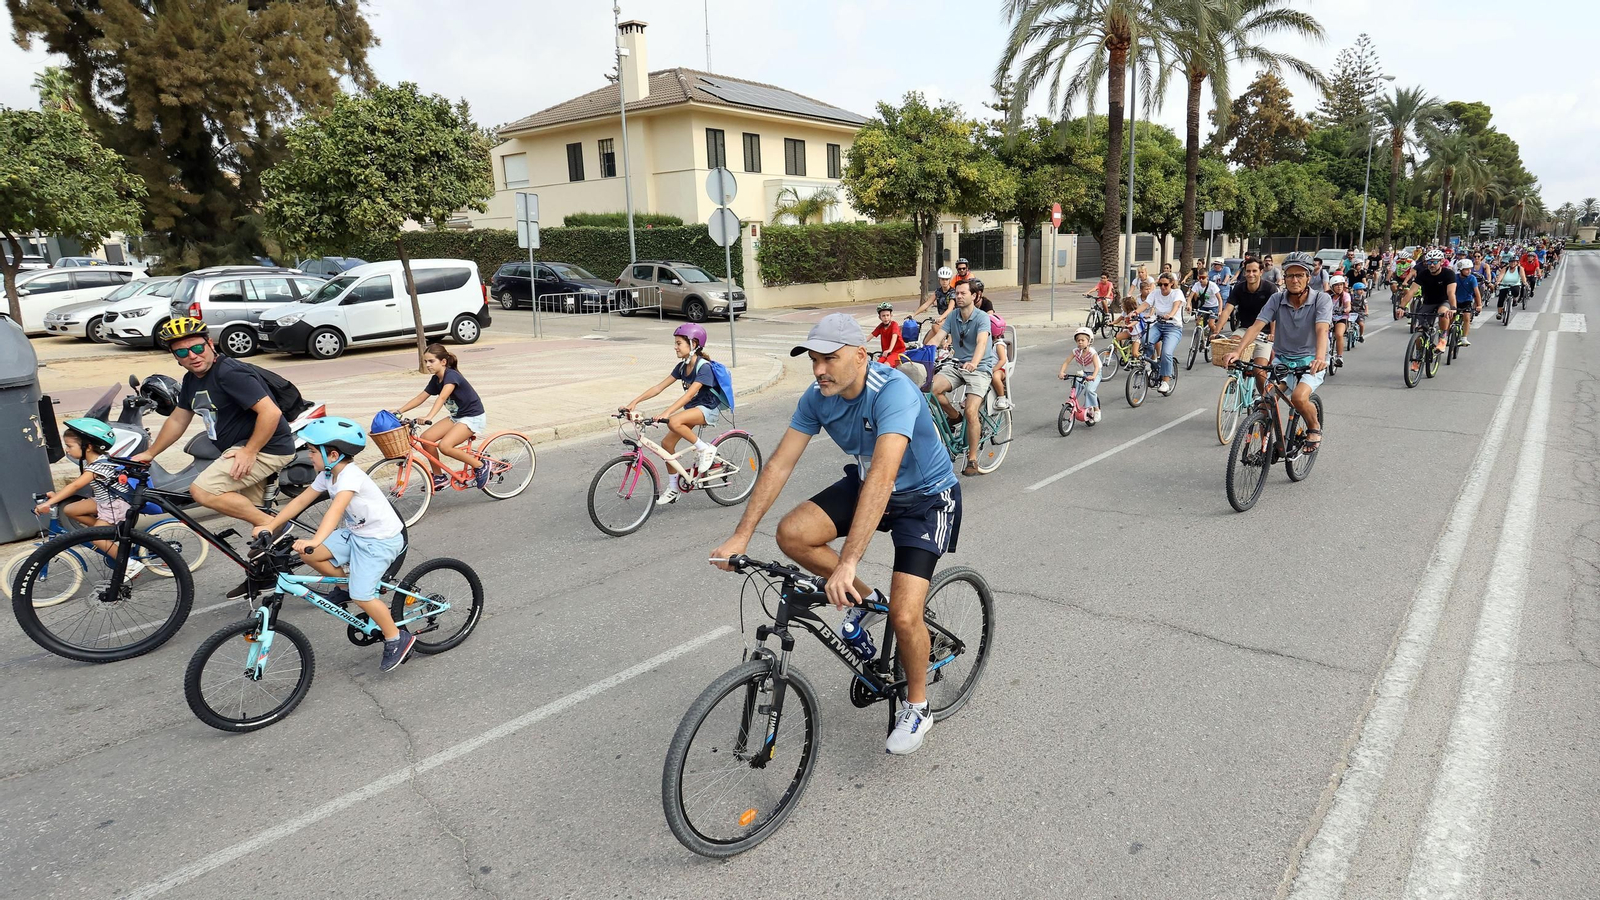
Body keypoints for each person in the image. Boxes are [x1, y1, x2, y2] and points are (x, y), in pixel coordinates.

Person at [710, 313, 961, 755]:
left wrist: (847, 563)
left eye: (829, 359)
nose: (819, 369)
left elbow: (884, 475)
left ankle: (918, 706)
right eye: (813, 360)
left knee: (906, 616)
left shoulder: (893, 392)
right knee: (792, 534)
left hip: (925, 499)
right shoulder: (817, 397)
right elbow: (780, 464)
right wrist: (741, 535)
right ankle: (870, 602)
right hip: (869, 486)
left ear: (861, 356)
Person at [135, 317, 297, 599]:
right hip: (237, 449)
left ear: (210, 344)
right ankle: (268, 574)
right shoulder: (191, 380)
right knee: (256, 522)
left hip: (266, 448)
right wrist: (149, 453)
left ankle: (278, 526)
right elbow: (178, 419)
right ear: (175, 357)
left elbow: (270, 413)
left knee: (203, 490)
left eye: (197, 348)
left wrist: (250, 451)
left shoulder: (230, 373)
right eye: (182, 352)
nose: (192, 356)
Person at [254, 418, 414, 673]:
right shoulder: (328, 474)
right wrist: (271, 526)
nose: (309, 456)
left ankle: (396, 638)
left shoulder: (350, 476)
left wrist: (314, 540)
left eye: (312, 451)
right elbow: (300, 501)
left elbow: (335, 511)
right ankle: (344, 587)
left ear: (334, 455)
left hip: (380, 541)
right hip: (356, 534)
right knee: (311, 556)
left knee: (363, 596)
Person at [1223, 251, 1329, 452]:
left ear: (1308, 277)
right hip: (1283, 360)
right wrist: (1237, 351)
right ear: (1284, 277)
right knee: (1266, 402)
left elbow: (1322, 330)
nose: (1294, 280)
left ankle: (1314, 427)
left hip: (1310, 361)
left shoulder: (1321, 300)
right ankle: (1272, 446)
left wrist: (1320, 358)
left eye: (1300, 275)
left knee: (1298, 398)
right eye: (1290, 275)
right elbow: (1256, 326)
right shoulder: (1277, 299)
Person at [622, 322, 730, 506]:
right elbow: (658, 387)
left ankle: (706, 449)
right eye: (675, 343)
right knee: (667, 444)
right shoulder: (682, 367)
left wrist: (667, 413)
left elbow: (689, 395)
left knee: (673, 421)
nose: (675, 347)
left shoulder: (704, 367)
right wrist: (634, 402)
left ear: (693, 344)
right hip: (693, 410)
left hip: (708, 409)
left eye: (679, 343)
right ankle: (673, 488)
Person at [33, 418, 148, 580]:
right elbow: (76, 486)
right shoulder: (95, 462)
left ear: (87, 447)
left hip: (115, 505)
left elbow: (75, 486)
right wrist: (56, 496)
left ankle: (129, 564)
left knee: (96, 538)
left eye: (69, 446)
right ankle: (107, 534)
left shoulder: (98, 466)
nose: (67, 450)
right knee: (70, 510)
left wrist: (49, 503)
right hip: (104, 502)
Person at [393, 344, 489, 493]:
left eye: (431, 361)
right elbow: (420, 398)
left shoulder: (451, 376)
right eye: (426, 361)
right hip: (457, 416)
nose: (427, 365)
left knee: (445, 446)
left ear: (443, 362)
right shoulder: (435, 379)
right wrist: (398, 411)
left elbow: (442, 397)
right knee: (426, 438)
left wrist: (429, 416)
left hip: (472, 417)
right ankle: (439, 477)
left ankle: (480, 466)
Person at [930, 280, 996, 476]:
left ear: (974, 296)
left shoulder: (982, 318)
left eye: (962, 293)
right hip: (957, 365)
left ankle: (972, 459)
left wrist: (974, 362)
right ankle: (954, 416)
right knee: (931, 389)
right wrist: (921, 352)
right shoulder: (953, 316)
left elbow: (981, 343)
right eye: (956, 293)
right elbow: (938, 337)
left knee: (970, 410)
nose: (958, 296)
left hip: (979, 368)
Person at [1215, 257, 1279, 394]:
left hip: (1264, 334)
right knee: (1231, 347)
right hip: (1244, 330)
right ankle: (1235, 378)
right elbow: (1227, 310)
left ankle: (1265, 400)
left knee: (1259, 371)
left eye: (1254, 271)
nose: (1251, 274)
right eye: (1248, 271)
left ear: (1261, 272)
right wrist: (1216, 331)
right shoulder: (1239, 288)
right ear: (1244, 272)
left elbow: (1275, 315)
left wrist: (1272, 333)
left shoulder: (1270, 289)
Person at [1403, 249, 1458, 356]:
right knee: (1419, 331)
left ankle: (1442, 338)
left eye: (1435, 262)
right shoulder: (1423, 274)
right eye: (1429, 262)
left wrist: (1453, 308)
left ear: (1441, 261)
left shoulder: (1449, 274)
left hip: (1444, 301)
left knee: (1443, 313)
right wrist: (1401, 307)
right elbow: (1412, 291)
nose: (1432, 265)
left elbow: (1451, 293)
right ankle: (1419, 356)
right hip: (1428, 302)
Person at [1143, 272, 1185, 395]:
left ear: (1171, 284)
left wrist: (1170, 315)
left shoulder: (1177, 293)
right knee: (1145, 340)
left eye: (1165, 284)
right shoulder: (1155, 293)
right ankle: (1149, 363)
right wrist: (1135, 312)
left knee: (1166, 353)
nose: (1162, 287)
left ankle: (1165, 381)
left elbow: (1176, 306)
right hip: (1158, 325)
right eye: (1160, 284)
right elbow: (1146, 304)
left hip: (1173, 327)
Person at [974, 285, 1012, 410]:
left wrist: (994, 369)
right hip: (988, 366)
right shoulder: (987, 343)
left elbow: (1003, 360)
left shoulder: (998, 345)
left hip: (999, 370)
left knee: (995, 377)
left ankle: (1002, 397)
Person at [1060, 326, 1102, 424]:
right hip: (1084, 373)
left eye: (1083, 340)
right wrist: (1062, 372)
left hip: (1095, 373)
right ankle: (1073, 403)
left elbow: (1096, 367)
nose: (1080, 342)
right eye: (1078, 340)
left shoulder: (1092, 352)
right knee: (1076, 386)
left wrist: (1093, 376)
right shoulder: (1075, 351)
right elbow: (1066, 362)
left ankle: (1097, 410)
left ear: (1089, 341)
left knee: (1089, 390)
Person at [911, 265, 958, 346]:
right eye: (942, 279)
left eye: (946, 279)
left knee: (935, 326)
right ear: (939, 279)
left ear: (950, 280)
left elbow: (950, 309)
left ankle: (945, 346)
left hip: (953, 318)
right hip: (943, 319)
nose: (944, 281)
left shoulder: (952, 292)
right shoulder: (938, 292)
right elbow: (927, 304)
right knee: (926, 343)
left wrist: (941, 318)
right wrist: (913, 315)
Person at [870, 302, 908, 368]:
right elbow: (870, 336)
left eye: (887, 315)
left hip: (898, 352)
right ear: (879, 317)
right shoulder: (881, 326)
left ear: (891, 315)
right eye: (883, 316)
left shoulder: (894, 325)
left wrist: (890, 349)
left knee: (886, 365)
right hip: (886, 353)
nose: (886, 318)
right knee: (876, 366)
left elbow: (894, 337)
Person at [1453, 258, 1480, 347]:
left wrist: (1479, 305)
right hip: (1455, 300)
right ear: (1460, 270)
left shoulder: (1472, 278)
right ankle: (1446, 334)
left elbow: (1476, 292)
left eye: (1470, 269)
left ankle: (1464, 338)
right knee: (1450, 317)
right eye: (1466, 269)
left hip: (1467, 300)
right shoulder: (1455, 277)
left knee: (1467, 317)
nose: (1469, 271)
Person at [1326, 275, 1350, 366]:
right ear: (1332, 287)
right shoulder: (1326, 295)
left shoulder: (1345, 295)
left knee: (1339, 334)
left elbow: (1348, 305)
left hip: (1341, 318)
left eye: (1341, 285)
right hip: (1328, 318)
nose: (1339, 287)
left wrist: (1346, 309)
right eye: (1336, 285)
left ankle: (1339, 357)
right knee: (1322, 334)